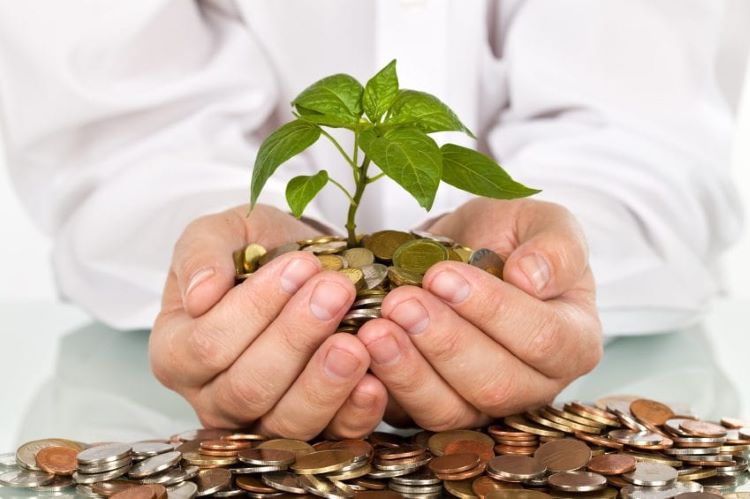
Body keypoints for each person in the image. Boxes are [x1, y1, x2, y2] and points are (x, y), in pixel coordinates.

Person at [0, 1, 741, 440]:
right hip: (136, 388)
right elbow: (115, 117)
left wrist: (553, 255)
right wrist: (220, 252)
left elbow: (649, 113)